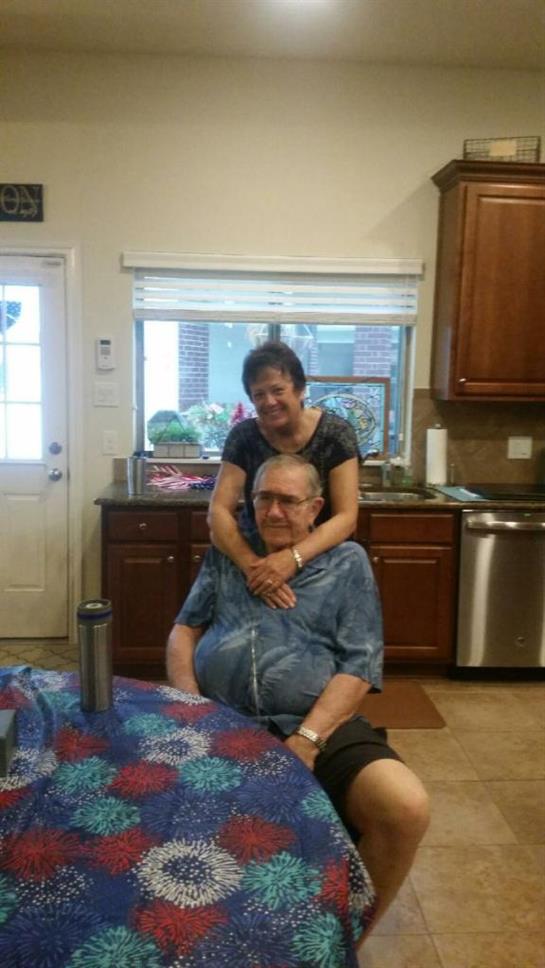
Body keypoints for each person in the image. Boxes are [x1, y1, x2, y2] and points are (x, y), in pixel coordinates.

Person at [168, 454, 430, 930]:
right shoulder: (229, 554)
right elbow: (184, 629)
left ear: (315, 509)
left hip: (319, 724)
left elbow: (359, 664)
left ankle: (343, 940)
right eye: (264, 498)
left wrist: (307, 741)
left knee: (404, 807)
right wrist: (191, 706)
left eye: (288, 501)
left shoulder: (346, 562)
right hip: (221, 721)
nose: (273, 512)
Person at [208, 341, 360, 609]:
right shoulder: (243, 437)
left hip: (321, 559)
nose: (269, 402)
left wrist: (292, 559)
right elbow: (218, 511)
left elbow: (347, 517)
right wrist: (255, 568)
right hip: (258, 554)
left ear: (300, 390)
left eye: (278, 390)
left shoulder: (336, 434)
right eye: (259, 394)